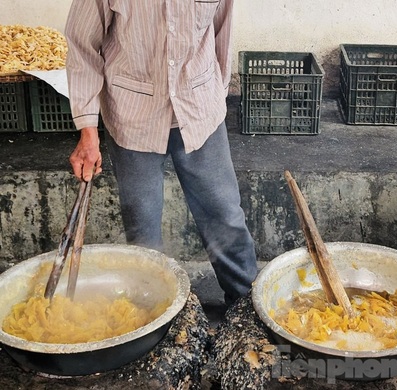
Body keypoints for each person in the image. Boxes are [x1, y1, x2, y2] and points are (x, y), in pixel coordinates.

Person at [64, 0, 258, 306]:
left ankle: (246, 307)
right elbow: (82, 45)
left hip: (198, 109)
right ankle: (154, 313)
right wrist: (88, 128)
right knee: (142, 225)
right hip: (132, 113)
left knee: (224, 215)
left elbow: (221, 31)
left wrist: (213, 99)